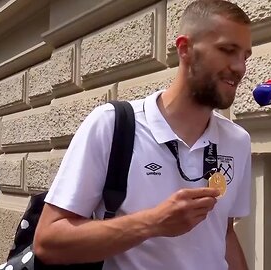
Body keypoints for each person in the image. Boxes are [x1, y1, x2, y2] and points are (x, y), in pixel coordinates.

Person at [33, 0, 253, 269]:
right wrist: (153, 223)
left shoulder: (238, 141)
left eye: (245, 56)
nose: (240, 67)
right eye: (227, 50)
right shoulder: (113, 125)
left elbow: (224, 233)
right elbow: (48, 242)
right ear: (185, 48)